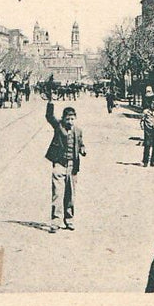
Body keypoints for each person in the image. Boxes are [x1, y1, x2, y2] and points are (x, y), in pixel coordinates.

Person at [44, 95, 85, 233]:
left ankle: (69, 220)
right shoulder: (58, 126)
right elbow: (49, 116)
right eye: (67, 119)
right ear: (63, 118)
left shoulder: (78, 131)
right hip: (59, 165)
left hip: (72, 167)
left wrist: (83, 149)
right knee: (58, 193)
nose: (70, 121)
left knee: (70, 195)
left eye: (72, 119)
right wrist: (50, 102)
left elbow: (80, 144)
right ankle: (55, 221)